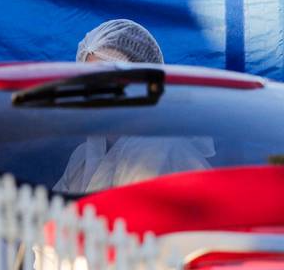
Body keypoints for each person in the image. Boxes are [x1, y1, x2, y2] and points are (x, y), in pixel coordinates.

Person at [55, 19, 212, 194]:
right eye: (88, 80)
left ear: (140, 88)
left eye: (106, 82)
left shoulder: (167, 154)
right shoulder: (82, 158)